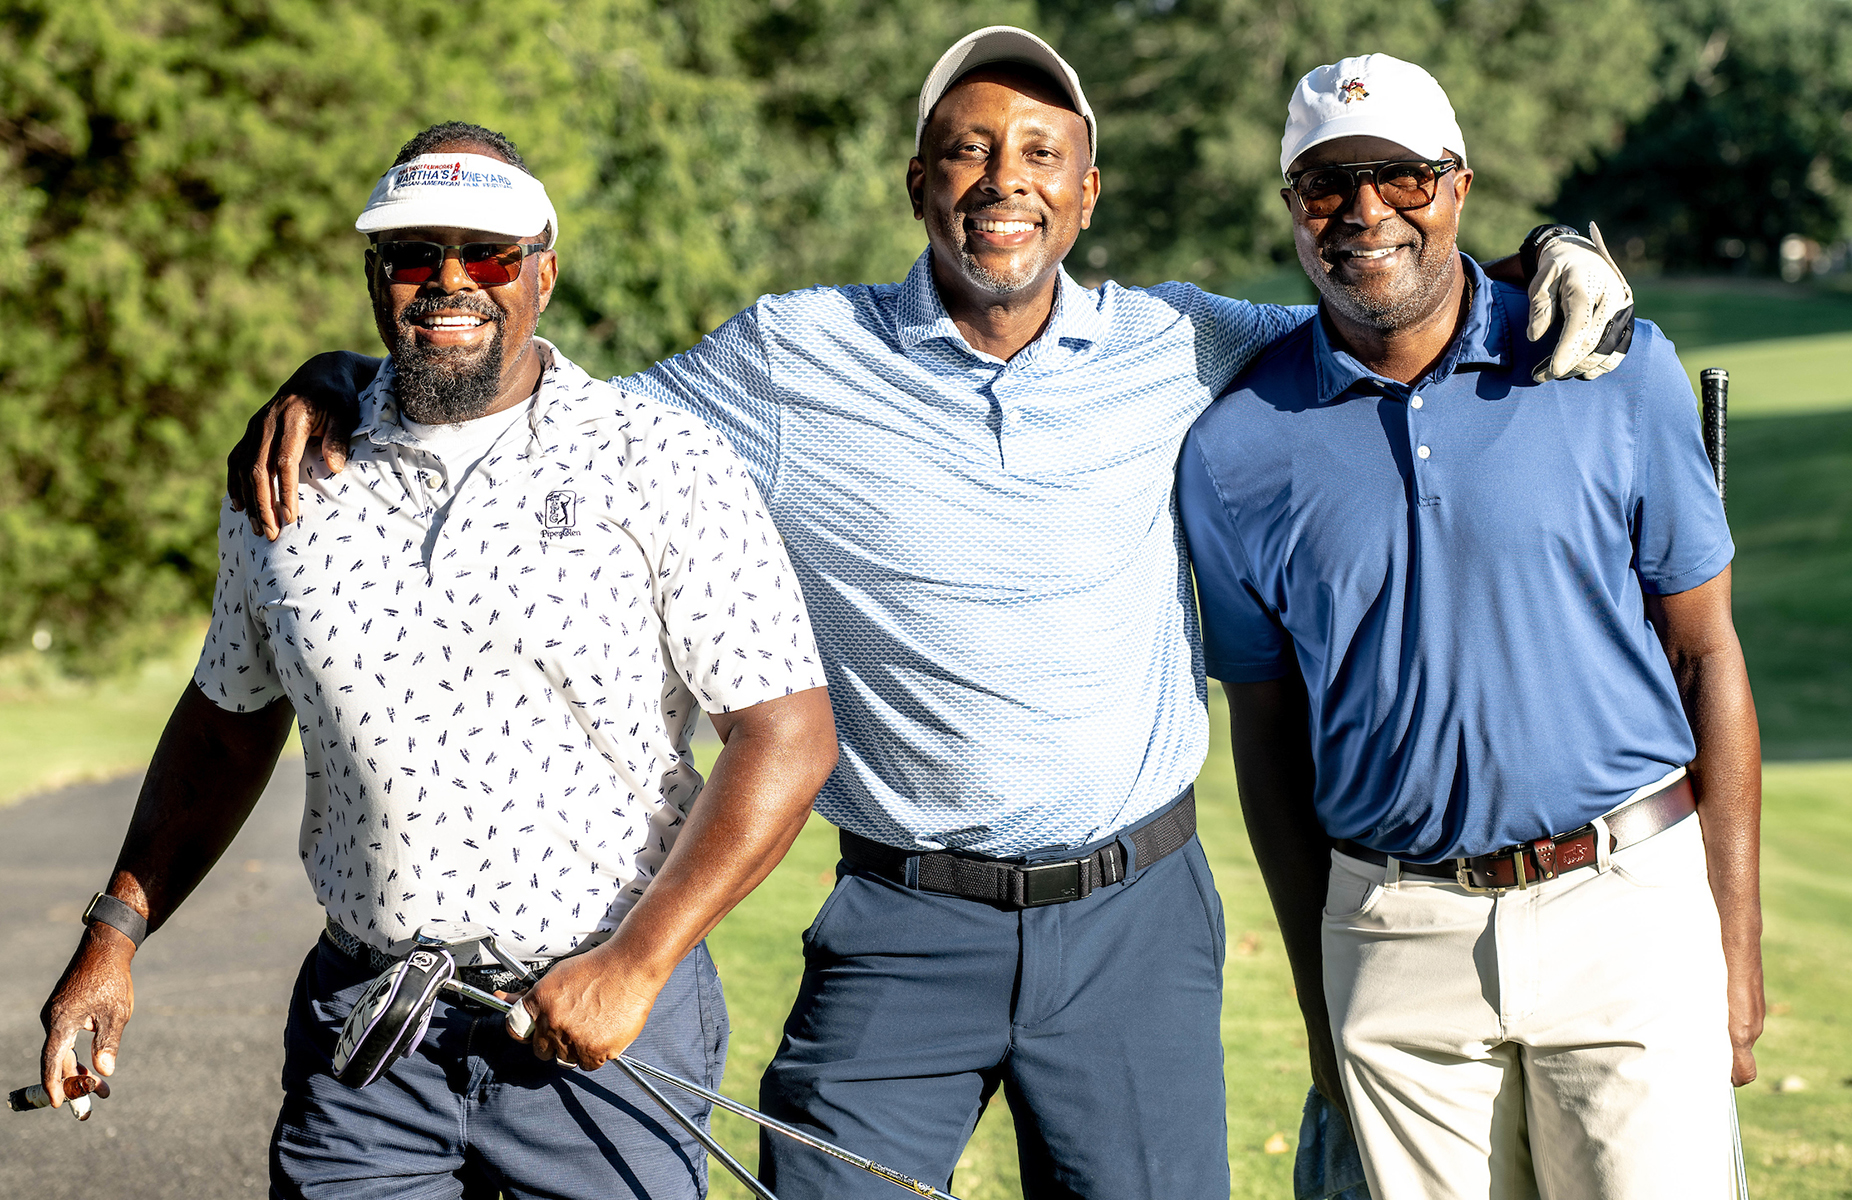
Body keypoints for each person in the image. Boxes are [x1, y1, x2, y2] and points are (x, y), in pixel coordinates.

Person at [227, 29, 1636, 1199]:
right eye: (966, 150)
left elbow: (1387, 294)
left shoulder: (1181, 343)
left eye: (1040, 155)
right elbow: (540, 412)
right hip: (902, 921)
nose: (1002, 181)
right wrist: (356, 375)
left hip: (1134, 919)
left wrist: (1538, 260)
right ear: (918, 183)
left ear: (1086, 194)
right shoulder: (790, 355)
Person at [36, 123, 840, 1200]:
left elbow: (787, 735)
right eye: (416, 254)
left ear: (543, 272)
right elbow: (227, 723)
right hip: (367, 1041)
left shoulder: (660, 461)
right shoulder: (284, 477)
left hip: (599, 1030)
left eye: (490, 254)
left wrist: (636, 964)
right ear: (377, 278)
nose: (451, 280)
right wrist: (114, 936)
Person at [1177, 54, 1762, 1200]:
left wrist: (1734, 948)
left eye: (1401, 176)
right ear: (1292, 205)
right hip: (1393, 932)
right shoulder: (1234, 445)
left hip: (1627, 905)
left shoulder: (1609, 364)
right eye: (1326, 185)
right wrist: (1320, 995)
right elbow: (1268, 736)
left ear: (1457, 185)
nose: (1364, 211)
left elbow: (1707, 653)